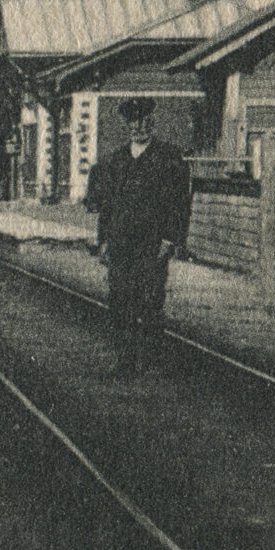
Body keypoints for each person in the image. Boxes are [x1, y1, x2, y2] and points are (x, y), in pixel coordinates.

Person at [84, 98, 192, 374]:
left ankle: (152, 359)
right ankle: (126, 359)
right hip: (120, 241)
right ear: (127, 125)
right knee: (120, 299)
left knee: (150, 299)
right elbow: (107, 204)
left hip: (152, 243)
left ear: (152, 123)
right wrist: (103, 240)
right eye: (134, 122)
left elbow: (180, 203)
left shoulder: (169, 158)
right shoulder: (116, 161)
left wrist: (170, 239)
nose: (139, 127)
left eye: (144, 121)